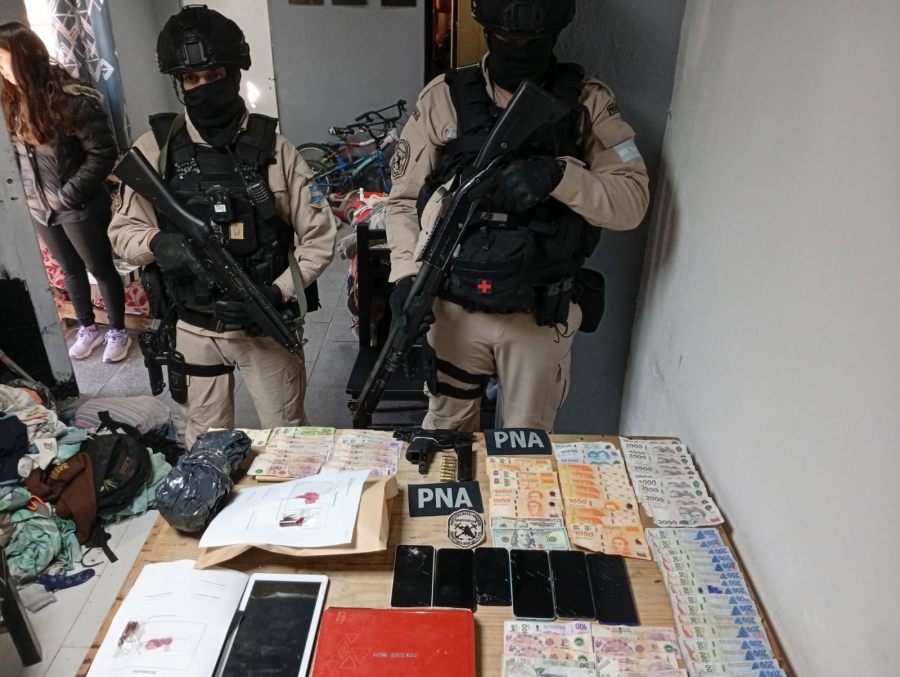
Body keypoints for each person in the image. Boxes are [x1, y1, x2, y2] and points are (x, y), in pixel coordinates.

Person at [386, 0, 650, 432]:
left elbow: (632, 203)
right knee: (445, 439)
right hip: (453, 310)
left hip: (538, 317)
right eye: (508, 38)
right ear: (487, 30)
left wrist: (559, 176)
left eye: (534, 40)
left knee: (526, 449)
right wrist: (405, 277)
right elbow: (402, 201)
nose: (520, 49)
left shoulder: (588, 103)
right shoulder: (443, 98)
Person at [108, 6, 336, 446]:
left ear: (234, 73)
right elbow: (122, 233)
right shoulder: (155, 150)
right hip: (192, 326)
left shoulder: (277, 151)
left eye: (213, 75)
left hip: (263, 324)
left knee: (288, 439)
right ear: (178, 83)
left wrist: (276, 293)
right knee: (205, 440)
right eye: (190, 79)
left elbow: (320, 239)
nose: (202, 87)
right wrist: (159, 242)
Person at [0, 22, 130, 363]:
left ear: (23, 58)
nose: (0, 70)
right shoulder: (10, 100)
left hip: (79, 205)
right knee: (70, 270)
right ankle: (88, 327)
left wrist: (70, 194)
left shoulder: (71, 99)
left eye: (2, 60)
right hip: (38, 207)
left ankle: (118, 331)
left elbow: (103, 152)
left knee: (100, 268)